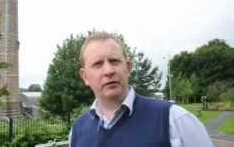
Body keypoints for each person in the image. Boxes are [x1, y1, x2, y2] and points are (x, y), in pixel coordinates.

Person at [70, 31, 213, 147]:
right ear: (85, 76)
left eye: (114, 61)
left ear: (128, 67)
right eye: (98, 64)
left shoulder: (173, 119)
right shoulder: (77, 132)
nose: (108, 70)